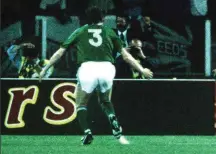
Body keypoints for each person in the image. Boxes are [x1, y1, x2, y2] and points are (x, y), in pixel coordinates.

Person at [39, 7, 153, 145]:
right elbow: (126, 56)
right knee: (105, 101)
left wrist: (45, 68)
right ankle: (114, 124)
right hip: (107, 68)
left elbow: (60, 52)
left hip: (88, 68)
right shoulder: (110, 32)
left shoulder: (80, 31)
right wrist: (142, 70)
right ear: (103, 19)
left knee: (80, 103)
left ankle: (87, 132)